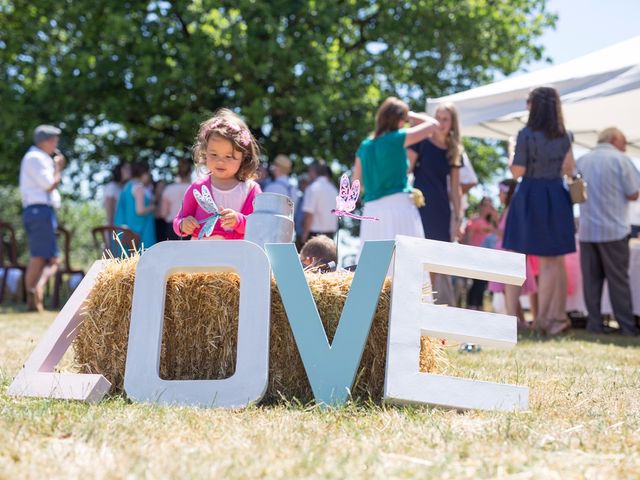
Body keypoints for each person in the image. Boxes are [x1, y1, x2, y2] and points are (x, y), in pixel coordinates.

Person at [503, 86, 576, 336]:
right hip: (556, 195)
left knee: (515, 256)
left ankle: (512, 318)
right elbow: (570, 169)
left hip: (530, 195)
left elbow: (517, 171)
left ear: (535, 106)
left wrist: (511, 150)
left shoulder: (525, 134)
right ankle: (544, 320)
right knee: (551, 261)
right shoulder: (565, 135)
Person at [352, 97, 439, 251]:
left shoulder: (365, 146)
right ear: (400, 120)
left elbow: (356, 185)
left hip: (372, 210)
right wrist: (410, 114)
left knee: (373, 266)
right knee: (406, 262)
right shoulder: (398, 137)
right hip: (399, 206)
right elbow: (433, 125)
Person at [577, 127, 640, 336]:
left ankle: (594, 324)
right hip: (614, 230)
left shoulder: (583, 160)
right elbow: (633, 193)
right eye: (623, 142)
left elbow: (574, 193)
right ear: (614, 139)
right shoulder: (621, 161)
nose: (625, 146)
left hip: (587, 231)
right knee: (618, 281)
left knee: (591, 281)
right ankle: (626, 326)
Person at [173, 108, 261, 240]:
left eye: (229, 156)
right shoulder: (198, 188)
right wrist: (183, 225)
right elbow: (179, 220)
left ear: (243, 157)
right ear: (204, 152)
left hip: (237, 257)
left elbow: (259, 225)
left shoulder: (250, 189)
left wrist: (239, 220)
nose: (220, 161)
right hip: (201, 257)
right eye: (214, 154)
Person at [407, 102, 462, 304]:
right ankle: (414, 303)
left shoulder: (454, 149)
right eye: (438, 117)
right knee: (417, 256)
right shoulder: (421, 141)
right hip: (419, 206)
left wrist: (458, 218)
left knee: (436, 261)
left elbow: (455, 190)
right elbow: (406, 171)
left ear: (453, 122)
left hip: (441, 209)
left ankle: (429, 307)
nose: (441, 122)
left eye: (446, 118)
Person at [19, 125, 65, 311]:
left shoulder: (36, 157)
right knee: (42, 258)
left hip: (40, 210)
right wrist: (58, 167)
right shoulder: (36, 158)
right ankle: (34, 291)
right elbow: (49, 185)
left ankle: (34, 291)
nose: (56, 144)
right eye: (54, 140)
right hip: (40, 210)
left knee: (48, 258)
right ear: (46, 141)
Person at [488, 179, 537, 327]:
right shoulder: (509, 209)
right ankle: (520, 321)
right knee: (507, 291)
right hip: (506, 253)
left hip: (509, 253)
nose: (499, 195)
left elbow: (508, 234)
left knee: (510, 290)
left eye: (501, 192)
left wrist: (491, 229)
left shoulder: (512, 210)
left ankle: (514, 321)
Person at [462, 197, 498, 310]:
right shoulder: (475, 221)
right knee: (477, 282)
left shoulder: (491, 222)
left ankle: (478, 306)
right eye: (486, 205)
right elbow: (468, 237)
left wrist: (494, 213)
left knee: (482, 283)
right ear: (481, 206)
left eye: (490, 205)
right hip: (476, 255)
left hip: (487, 256)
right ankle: (472, 306)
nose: (488, 208)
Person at [114, 162, 157, 250]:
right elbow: (140, 210)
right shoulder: (139, 187)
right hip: (141, 230)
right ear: (143, 173)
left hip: (127, 228)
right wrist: (153, 207)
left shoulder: (126, 187)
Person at [300, 161, 339, 244]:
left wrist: (304, 234)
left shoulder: (312, 188)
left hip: (315, 236)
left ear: (313, 171)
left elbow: (309, 214)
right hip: (330, 236)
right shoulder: (333, 189)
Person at [160, 159, 192, 240]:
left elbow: (163, 213)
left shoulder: (169, 189)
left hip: (172, 227)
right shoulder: (195, 188)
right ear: (190, 172)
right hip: (191, 227)